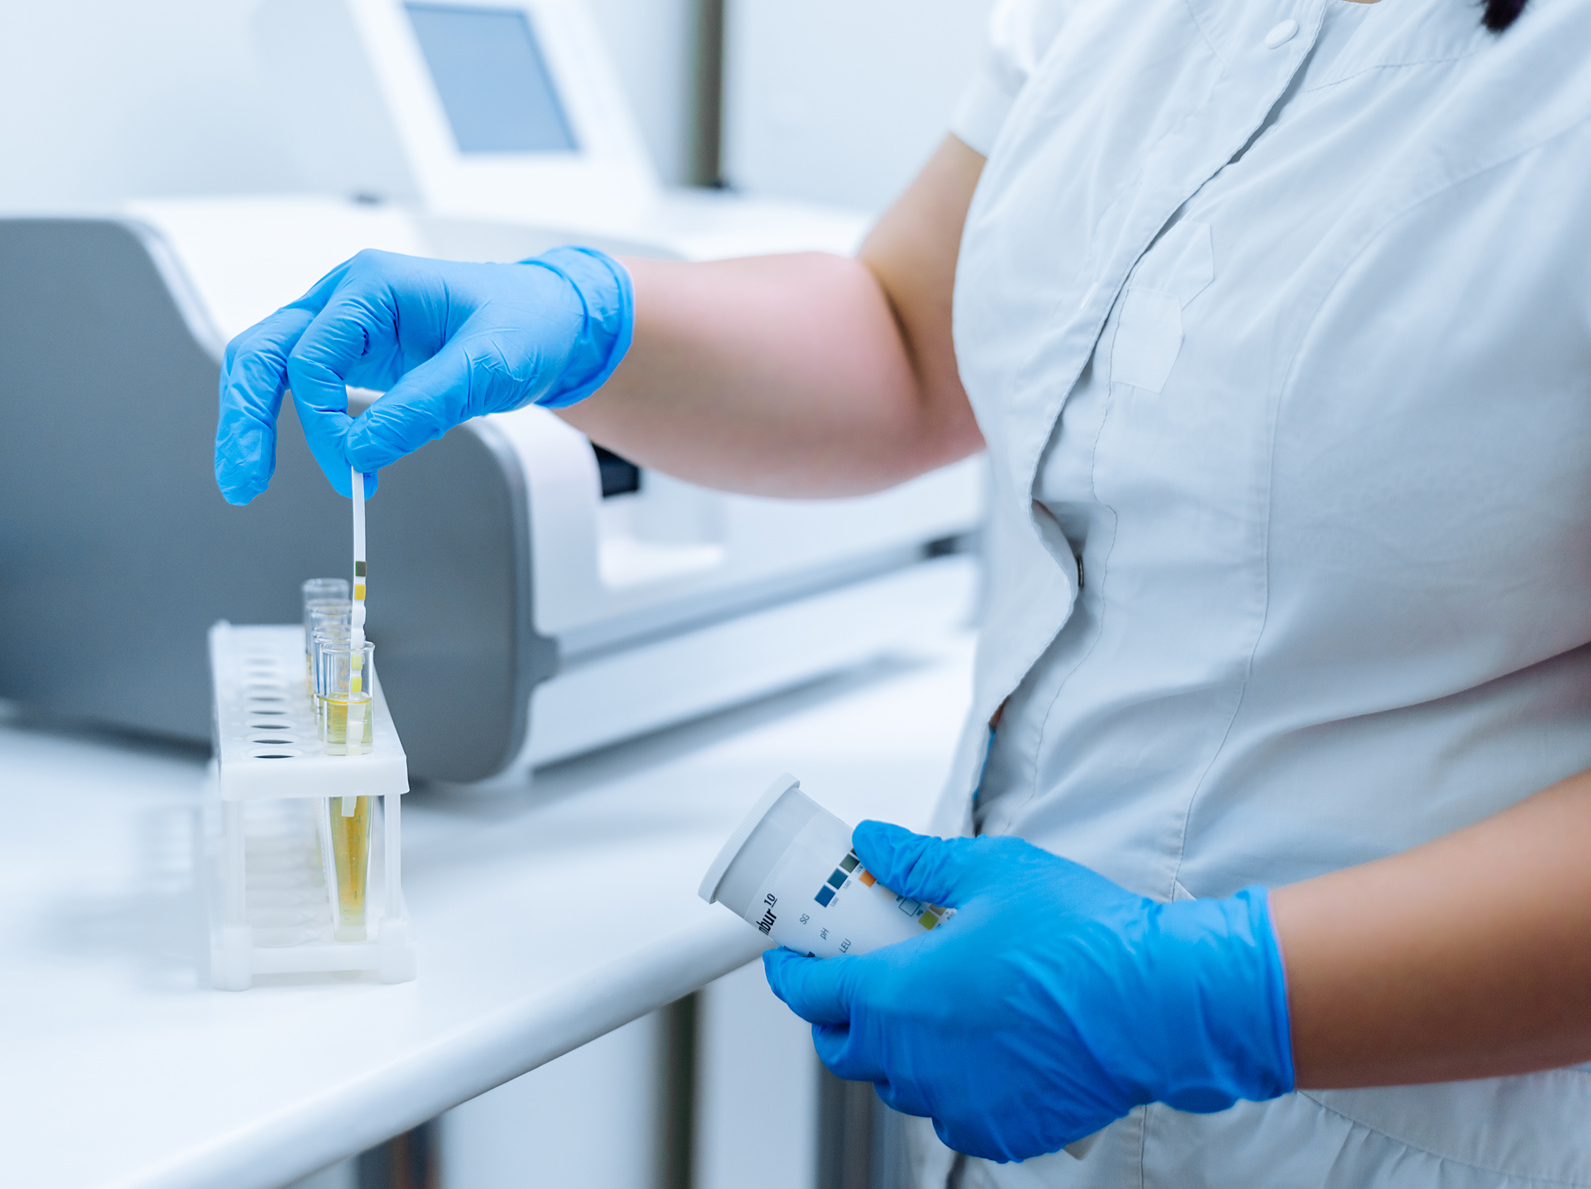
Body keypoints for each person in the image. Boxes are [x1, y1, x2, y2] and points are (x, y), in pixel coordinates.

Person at [215, 0, 1591, 1181]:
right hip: (1014, 1114)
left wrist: (1196, 999)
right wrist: (586, 320)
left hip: (1404, 1127)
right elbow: (905, 331)